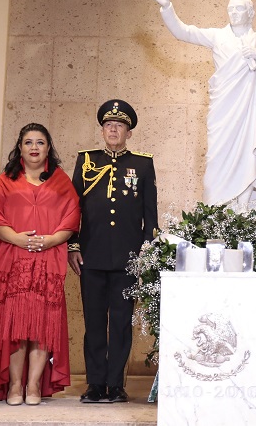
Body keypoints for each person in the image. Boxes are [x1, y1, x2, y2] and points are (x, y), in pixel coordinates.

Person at [149, 0, 256, 211]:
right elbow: (184, 31)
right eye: (230, 8)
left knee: (248, 155)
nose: (233, 13)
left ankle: (243, 212)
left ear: (251, 13)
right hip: (222, 111)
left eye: (239, 8)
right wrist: (167, 7)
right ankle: (214, 213)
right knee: (215, 162)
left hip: (248, 113)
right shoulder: (218, 36)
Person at [0, 123, 80, 406]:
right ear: (19, 148)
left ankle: (34, 385)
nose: (34, 147)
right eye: (28, 142)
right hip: (12, 261)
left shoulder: (61, 182)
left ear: (49, 147)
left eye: (40, 142)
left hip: (48, 262)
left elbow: (72, 220)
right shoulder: (4, 181)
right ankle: (14, 385)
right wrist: (19, 240)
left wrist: (48, 241)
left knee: (42, 327)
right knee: (13, 328)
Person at [68, 99, 159, 404]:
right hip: (91, 257)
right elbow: (72, 209)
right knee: (94, 323)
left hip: (127, 259)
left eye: (119, 126)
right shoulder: (86, 161)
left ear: (128, 133)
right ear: (102, 130)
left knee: (120, 323)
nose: (113, 130)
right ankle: (95, 384)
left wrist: (145, 253)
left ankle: (115, 384)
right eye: (108, 125)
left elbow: (151, 215)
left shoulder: (143, 164)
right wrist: (73, 246)